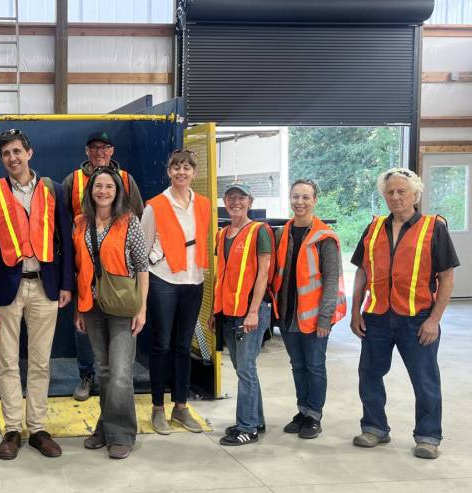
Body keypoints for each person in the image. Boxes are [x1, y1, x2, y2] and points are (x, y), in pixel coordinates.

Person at [0, 129, 74, 460]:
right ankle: (13, 430)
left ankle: (38, 428)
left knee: (40, 362)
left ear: (29, 153)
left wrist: (66, 284)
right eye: (6, 153)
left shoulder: (53, 189)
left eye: (17, 151)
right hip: (6, 289)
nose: (12, 158)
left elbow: (65, 239)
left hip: (45, 286)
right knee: (6, 362)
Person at [350, 168, 458, 460]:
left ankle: (428, 436)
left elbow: (447, 278)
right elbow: (362, 272)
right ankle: (374, 427)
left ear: (415, 195)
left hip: (417, 319)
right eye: (390, 192)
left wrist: (434, 320)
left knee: (425, 379)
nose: (395, 197)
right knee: (369, 374)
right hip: (376, 317)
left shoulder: (434, 228)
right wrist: (355, 311)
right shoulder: (373, 228)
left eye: (402, 191)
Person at [73, 167, 149, 459]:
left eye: (109, 186)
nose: (103, 191)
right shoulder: (80, 223)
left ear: (117, 192)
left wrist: (142, 308)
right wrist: (79, 310)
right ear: (90, 191)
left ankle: (122, 434)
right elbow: (79, 269)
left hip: (122, 306)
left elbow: (142, 267)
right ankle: (106, 427)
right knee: (104, 371)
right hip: (92, 308)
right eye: (98, 186)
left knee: (120, 374)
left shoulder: (130, 222)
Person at [63, 131, 144, 402]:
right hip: (86, 273)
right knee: (85, 331)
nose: (99, 152)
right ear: (87, 151)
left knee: (118, 368)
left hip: (118, 277)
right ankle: (86, 376)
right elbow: (64, 225)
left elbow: (137, 220)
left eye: (104, 147)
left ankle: (117, 414)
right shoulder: (73, 181)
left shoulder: (126, 180)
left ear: (112, 150)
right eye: (94, 147)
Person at [140, 149, 211, 436]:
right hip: (163, 281)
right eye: (176, 167)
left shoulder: (203, 204)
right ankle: (158, 408)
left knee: (183, 346)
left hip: (194, 281)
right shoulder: (155, 205)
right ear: (169, 172)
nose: (181, 172)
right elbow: (143, 249)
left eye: (186, 168)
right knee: (162, 345)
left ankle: (180, 406)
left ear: (194, 173)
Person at [271, 179, 345, 440]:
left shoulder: (324, 237)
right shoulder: (282, 233)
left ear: (315, 200)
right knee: (297, 365)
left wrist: (325, 318)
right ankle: (302, 410)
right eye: (295, 196)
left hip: (315, 318)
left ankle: (314, 415)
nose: (299, 202)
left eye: (305, 197)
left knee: (314, 366)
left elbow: (331, 280)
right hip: (287, 314)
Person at [212, 182, 275, 446]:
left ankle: (247, 427)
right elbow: (221, 276)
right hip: (228, 311)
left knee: (246, 369)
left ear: (250, 201)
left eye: (241, 198)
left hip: (250, 311)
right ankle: (255, 420)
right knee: (243, 369)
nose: (235, 202)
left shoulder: (259, 231)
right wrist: (215, 311)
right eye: (230, 198)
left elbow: (263, 274)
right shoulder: (222, 234)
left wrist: (253, 312)